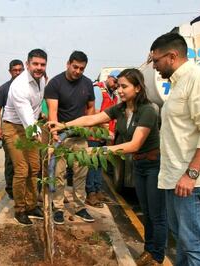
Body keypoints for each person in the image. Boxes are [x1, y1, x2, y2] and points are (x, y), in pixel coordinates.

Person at [47, 68, 167, 265]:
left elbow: (134, 145)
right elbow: (91, 118)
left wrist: (97, 152)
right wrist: (64, 125)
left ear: (137, 88)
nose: (119, 90)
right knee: (146, 210)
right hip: (138, 164)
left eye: (124, 86)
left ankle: (157, 256)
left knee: (157, 214)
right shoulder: (120, 109)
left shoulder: (147, 110)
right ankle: (149, 251)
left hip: (154, 165)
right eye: (118, 86)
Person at [150, 32, 200, 265]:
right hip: (176, 180)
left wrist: (191, 174)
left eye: (156, 61)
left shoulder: (199, 79)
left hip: (193, 184)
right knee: (184, 246)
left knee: (196, 249)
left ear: (172, 56)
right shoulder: (179, 84)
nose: (154, 66)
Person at [44, 50, 96, 224]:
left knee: (81, 173)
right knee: (58, 174)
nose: (78, 71)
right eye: (75, 67)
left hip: (80, 136)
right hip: (61, 137)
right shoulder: (55, 83)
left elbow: (91, 108)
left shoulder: (88, 84)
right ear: (68, 64)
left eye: (82, 68)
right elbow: (52, 111)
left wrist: (87, 128)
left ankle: (80, 207)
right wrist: (54, 135)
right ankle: (58, 207)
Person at [2, 49, 47, 225]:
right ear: (27, 64)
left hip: (31, 125)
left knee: (34, 168)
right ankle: (20, 209)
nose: (39, 68)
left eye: (42, 64)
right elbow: (27, 117)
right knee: (22, 169)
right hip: (14, 128)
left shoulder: (41, 80)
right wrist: (43, 141)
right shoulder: (19, 86)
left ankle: (31, 205)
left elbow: (35, 109)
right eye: (35, 64)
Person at [85, 70, 120, 207]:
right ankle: (90, 192)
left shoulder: (114, 95)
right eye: (115, 81)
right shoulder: (98, 90)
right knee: (92, 164)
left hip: (104, 136)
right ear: (109, 78)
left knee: (100, 164)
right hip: (94, 134)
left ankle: (98, 190)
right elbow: (95, 113)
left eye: (118, 83)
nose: (116, 85)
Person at [0, 59, 24, 199]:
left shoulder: (29, 86)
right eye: (15, 70)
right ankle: (11, 189)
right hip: (10, 129)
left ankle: (22, 188)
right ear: (10, 71)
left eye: (20, 70)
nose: (18, 72)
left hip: (26, 130)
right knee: (10, 161)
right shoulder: (4, 88)